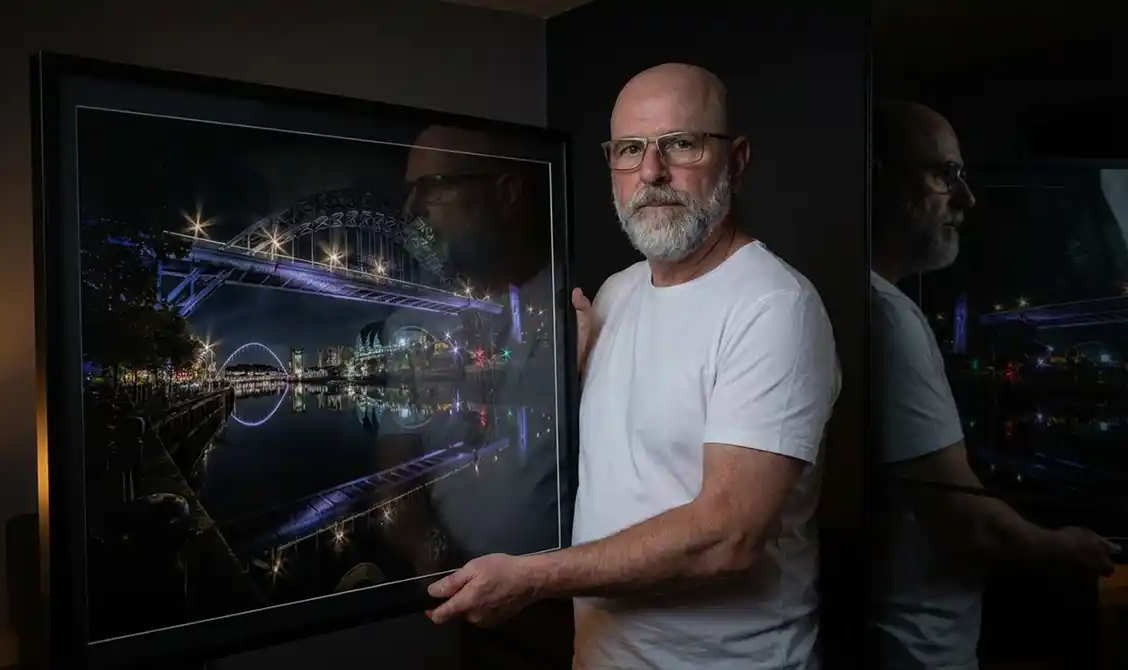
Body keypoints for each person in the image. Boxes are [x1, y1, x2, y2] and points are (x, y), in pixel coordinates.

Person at [425, 62, 842, 670]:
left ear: (738, 159)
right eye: (630, 149)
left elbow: (726, 538)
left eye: (681, 143)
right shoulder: (617, 294)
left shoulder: (776, 309)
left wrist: (533, 578)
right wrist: (558, 376)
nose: (652, 172)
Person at [868, 98, 1121, 669]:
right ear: (876, 180)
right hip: (914, 650)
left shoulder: (865, 303)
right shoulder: (887, 318)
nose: (967, 199)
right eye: (943, 174)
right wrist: (1064, 547)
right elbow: (967, 524)